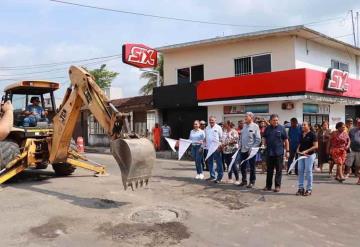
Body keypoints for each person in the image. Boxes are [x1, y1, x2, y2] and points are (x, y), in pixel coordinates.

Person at [263, 114, 289, 192]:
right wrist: (263, 144)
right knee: (269, 170)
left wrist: (287, 151)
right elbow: (264, 137)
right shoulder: (267, 128)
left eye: (277, 120)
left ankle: (277, 186)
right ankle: (268, 186)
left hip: (279, 153)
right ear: (270, 121)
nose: (276, 121)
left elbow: (286, 140)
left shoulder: (282, 128)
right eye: (274, 120)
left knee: (278, 170)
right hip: (269, 153)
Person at [237, 112, 261, 188]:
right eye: (245, 116)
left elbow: (258, 139)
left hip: (251, 150)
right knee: (243, 166)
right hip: (243, 149)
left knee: (252, 167)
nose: (245, 118)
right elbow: (241, 137)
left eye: (246, 116)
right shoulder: (244, 126)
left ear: (251, 117)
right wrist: (239, 145)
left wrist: (253, 148)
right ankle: (244, 181)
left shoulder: (255, 126)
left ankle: (252, 182)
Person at [296, 121, 318, 196]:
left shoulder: (312, 134)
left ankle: (309, 189)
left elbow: (316, 146)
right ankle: (301, 188)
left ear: (308, 126)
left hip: (310, 155)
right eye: (302, 125)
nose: (302, 126)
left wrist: (307, 151)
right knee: (300, 170)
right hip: (301, 155)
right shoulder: (300, 134)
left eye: (304, 125)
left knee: (308, 171)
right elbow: (300, 143)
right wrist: (298, 149)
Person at [204, 116, 223, 183]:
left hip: (216, 148)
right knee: (210, 163)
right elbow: (206, 138)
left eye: (212, 120)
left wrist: (220, 146)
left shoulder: (218, 127)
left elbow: (221, 138)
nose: (211, 121)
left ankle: (219, 177)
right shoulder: (207, 128)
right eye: (210, 120)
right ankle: (212, 176)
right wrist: (204, 146)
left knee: (218, 163)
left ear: (215, 120)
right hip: (208, 148)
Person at [346, 119, 360, 185]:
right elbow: (348, 139)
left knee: (358, 163)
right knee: (349, 162)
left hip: (359, 150)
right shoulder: (352, 130)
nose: (359, 124)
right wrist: (348, 146)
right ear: (357, 123)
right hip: (352, 149)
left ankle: (356, 173)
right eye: (358, 123)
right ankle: (348, 173)